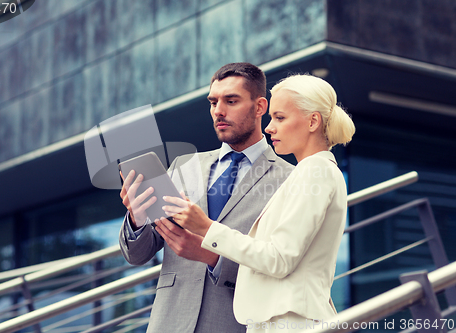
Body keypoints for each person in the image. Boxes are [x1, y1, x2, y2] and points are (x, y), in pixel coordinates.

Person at [160, 73, 355, 332]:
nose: (268, 127)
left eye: (280, 118)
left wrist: (207, 228)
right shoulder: (312, 171)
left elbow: (278, 258)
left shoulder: (314, 171)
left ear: (312, 121)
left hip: (289, 322)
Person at [119, 63, 294, 333]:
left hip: (232, 324)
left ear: (260, 107)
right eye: (213, 102)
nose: (218, 111)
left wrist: (213, 258)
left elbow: (281, 268)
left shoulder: (289, 180)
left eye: (231, 101)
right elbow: (137, 255)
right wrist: (137, 218)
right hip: (169, 322)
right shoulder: (183, 166)